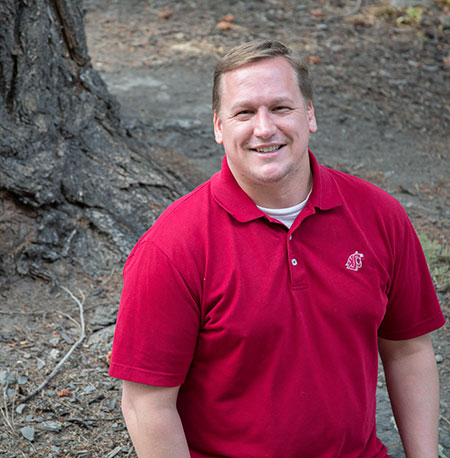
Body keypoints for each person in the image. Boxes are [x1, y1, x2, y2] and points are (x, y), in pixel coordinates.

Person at [109, 40, 445, 457]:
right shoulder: (172, 248)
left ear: (310, 115)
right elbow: (146, 404)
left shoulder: (379, 216)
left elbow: (408, 350)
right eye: (244, 112)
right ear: (218, 126)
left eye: (281, 108)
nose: (264, 128)